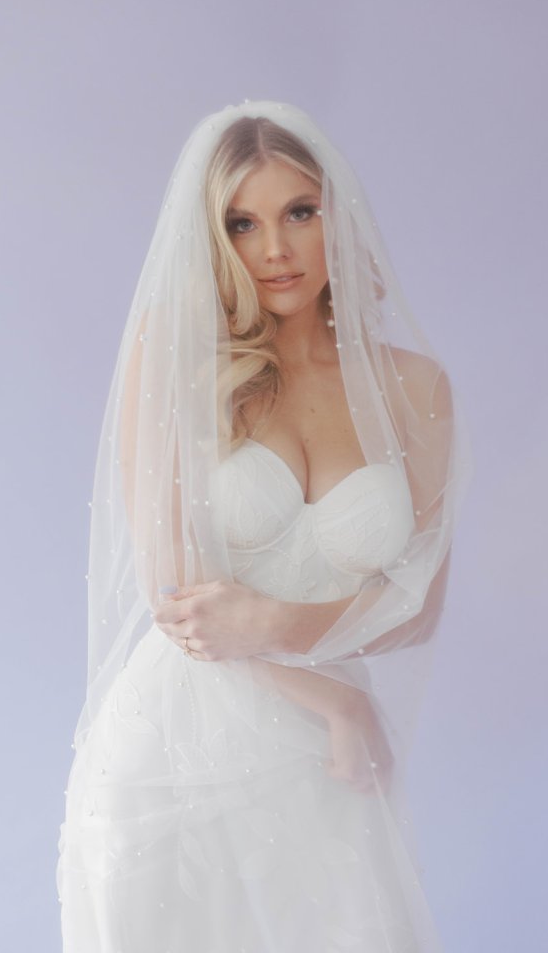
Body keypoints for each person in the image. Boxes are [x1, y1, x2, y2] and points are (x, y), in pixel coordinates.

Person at [56, 99, 471, 952]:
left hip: (327, 760)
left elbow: (416, 606)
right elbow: (179, 601)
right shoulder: (176, 357)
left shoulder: (416, 389)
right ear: (213, 243)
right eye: (241, 224)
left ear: (337, 216)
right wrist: (331, 697)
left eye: (299, 212)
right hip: (172, 755)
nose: (275, 249)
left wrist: (280, 627)